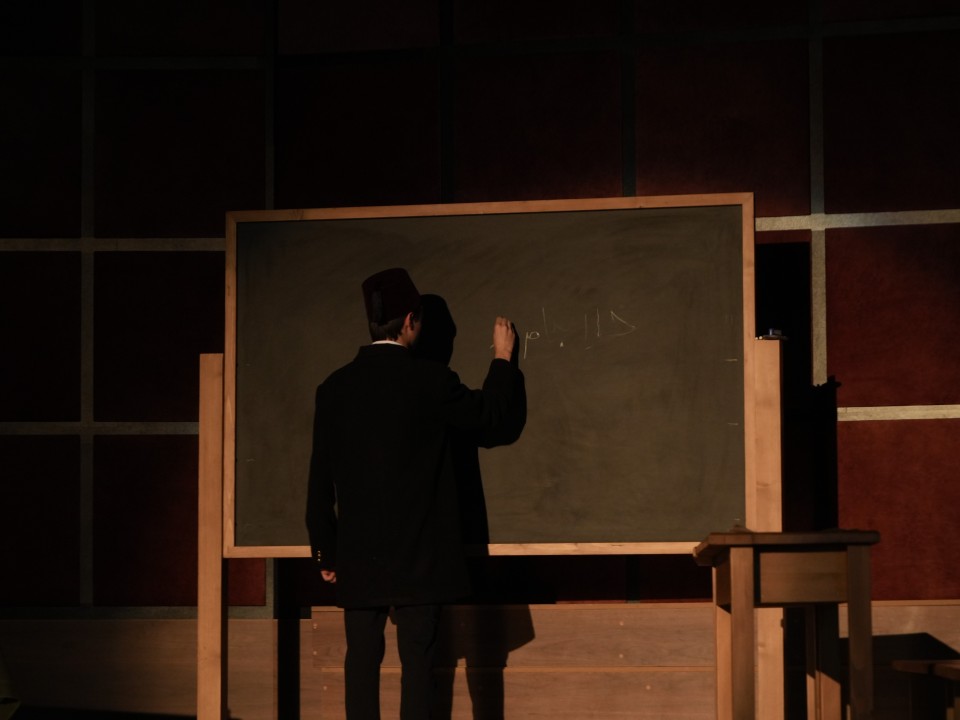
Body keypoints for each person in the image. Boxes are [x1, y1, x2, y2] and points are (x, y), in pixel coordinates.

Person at [305, 268, 524, 720]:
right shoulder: (432, 381)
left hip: (357, 556)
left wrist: (326, 549)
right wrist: (503, 358)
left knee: (360, 662)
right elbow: (491, 418)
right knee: (418, 666)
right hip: (422, 558)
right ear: (409, 321)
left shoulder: (333, 388)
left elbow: (319, 478)